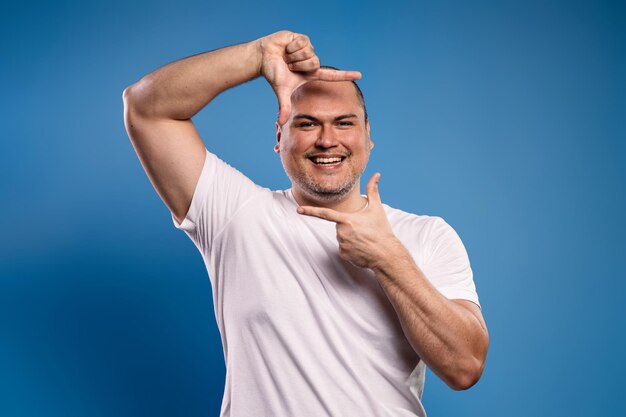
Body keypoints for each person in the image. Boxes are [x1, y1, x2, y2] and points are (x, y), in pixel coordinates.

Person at [123, 30, 489, 417]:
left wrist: (389, 259)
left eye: (344, 123)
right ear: (279, 137)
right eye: (307, 124)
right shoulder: (236, 215)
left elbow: (464, 367)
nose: (327, 140)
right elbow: (146, 109)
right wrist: (256, 56)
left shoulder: (427, 236)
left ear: (368, 138)